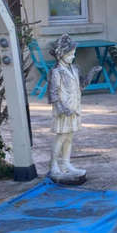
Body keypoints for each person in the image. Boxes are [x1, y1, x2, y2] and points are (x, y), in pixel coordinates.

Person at [48, 34, 87, 184]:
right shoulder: (57, 72)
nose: (73, 57)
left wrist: (91, 74)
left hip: (74, 108)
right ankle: (54, 164)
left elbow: (80, 86)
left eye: (73, 54)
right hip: (63, 110)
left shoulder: (74, 69)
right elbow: (53, 93)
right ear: (60, 55)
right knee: (61, 137)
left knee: (69, 137)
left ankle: (66, 163)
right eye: (70, 54)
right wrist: (61, 108)